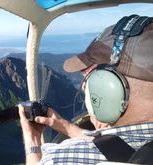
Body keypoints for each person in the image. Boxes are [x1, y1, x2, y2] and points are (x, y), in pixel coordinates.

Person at [18, 17, 153, 165]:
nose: (85, 88)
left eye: (88, 78)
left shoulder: (60, 160)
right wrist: (67, 128)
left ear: (108, 89)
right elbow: (119, 149)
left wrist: (33, 140)